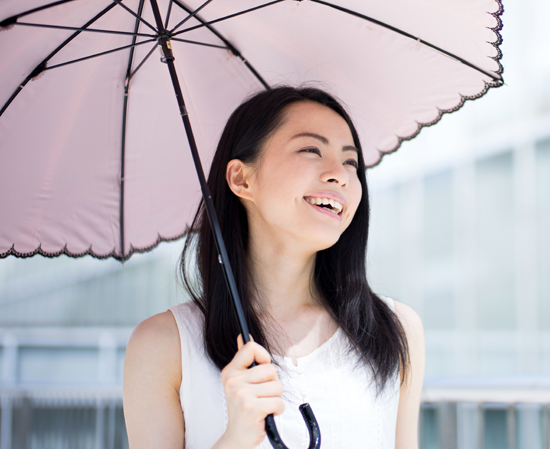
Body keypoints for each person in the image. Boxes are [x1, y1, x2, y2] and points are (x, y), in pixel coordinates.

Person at [123, 86, 425, 448]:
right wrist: (235, 437)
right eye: (311, 150)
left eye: (350, 162)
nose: (340, 175)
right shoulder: (162, 344)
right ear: (241, 179)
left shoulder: (395, 330)